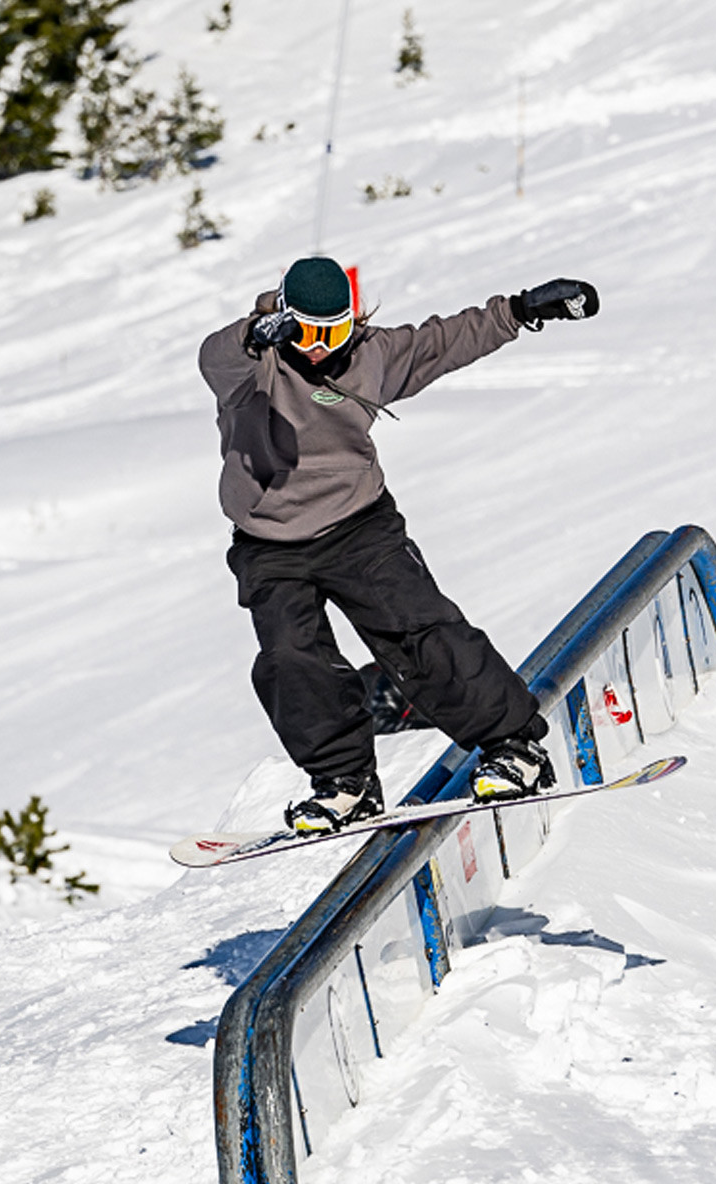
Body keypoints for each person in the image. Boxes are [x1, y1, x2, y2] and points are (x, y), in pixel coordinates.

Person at [198, 257, 600, 833]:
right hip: (269, 542)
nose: (319, 348)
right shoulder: (250, 363)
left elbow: (444, 340)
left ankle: (514, 747)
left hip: (360, 527)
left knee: (418, 630)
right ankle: (345, 784)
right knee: (291, 658)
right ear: (284, 320)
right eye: (307, 333)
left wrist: (522, 309)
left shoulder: (369, 356)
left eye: (333, 332)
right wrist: (251, 334)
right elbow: (214, 355)